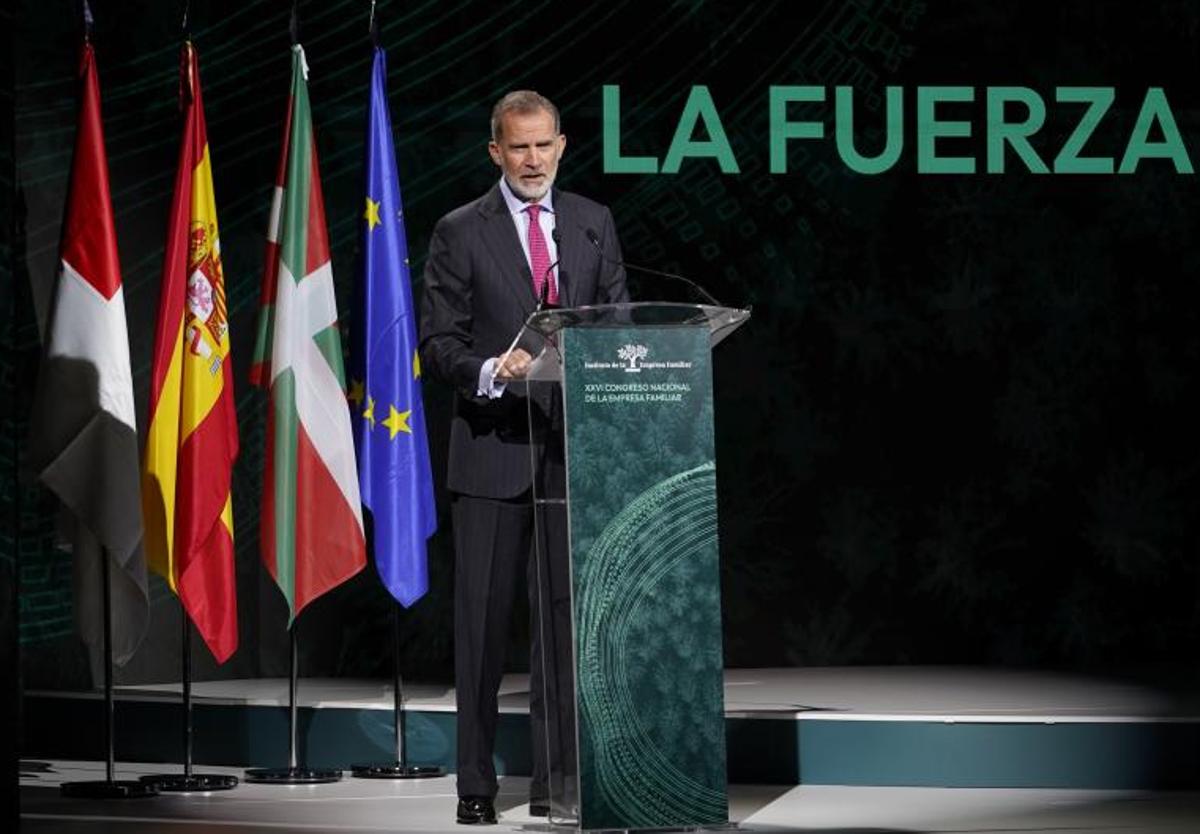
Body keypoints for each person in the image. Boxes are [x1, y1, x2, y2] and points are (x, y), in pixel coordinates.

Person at [419, 90, 628, 825]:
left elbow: (618, 325)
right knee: (480, 630)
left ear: (562, 146)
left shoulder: (592, 224)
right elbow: (438, 345)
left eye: (543, 146)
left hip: (571, 459)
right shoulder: (458, 232)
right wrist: (490, 371)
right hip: (489, 454)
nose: (532, 160)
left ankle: (559, 786)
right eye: (518, 147)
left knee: (564, 633)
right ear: (495, 153)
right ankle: (475, 787)